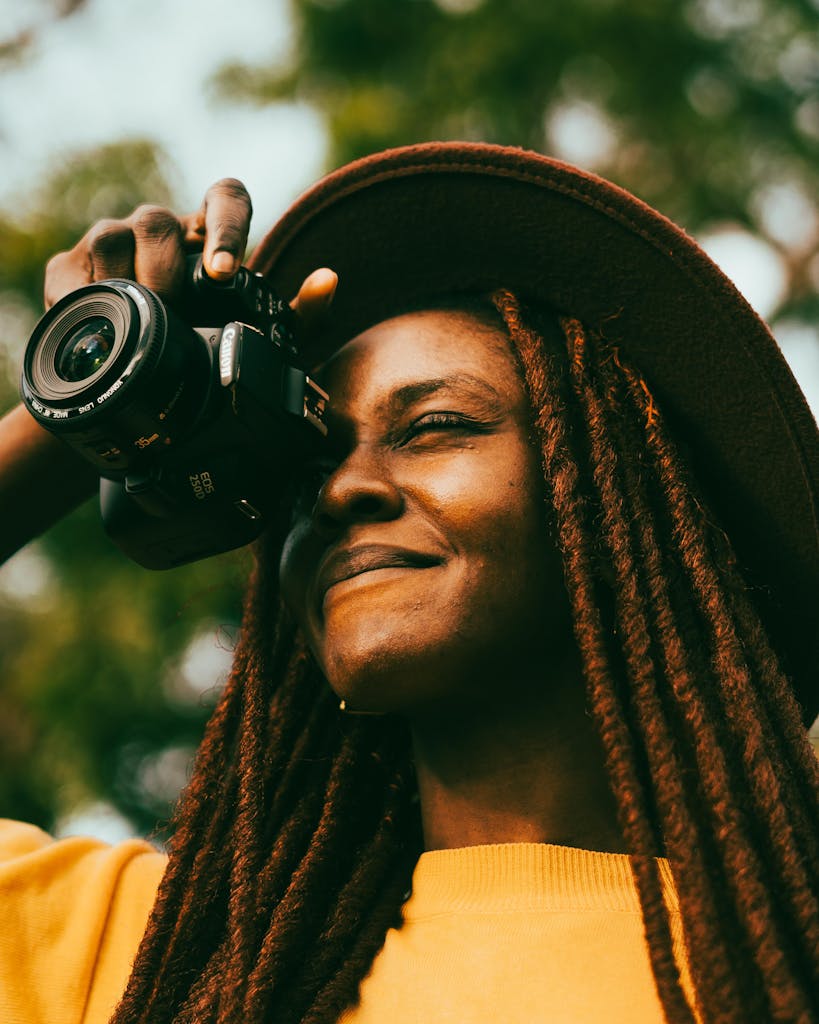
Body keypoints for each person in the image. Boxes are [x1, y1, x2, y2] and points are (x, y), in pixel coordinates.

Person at [1, 142, 817, 1024]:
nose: (343, 490)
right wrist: (96, 386)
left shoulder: (775, 962)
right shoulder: (146, 954)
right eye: (308, 471)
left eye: (432, 426)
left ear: (621, 485)